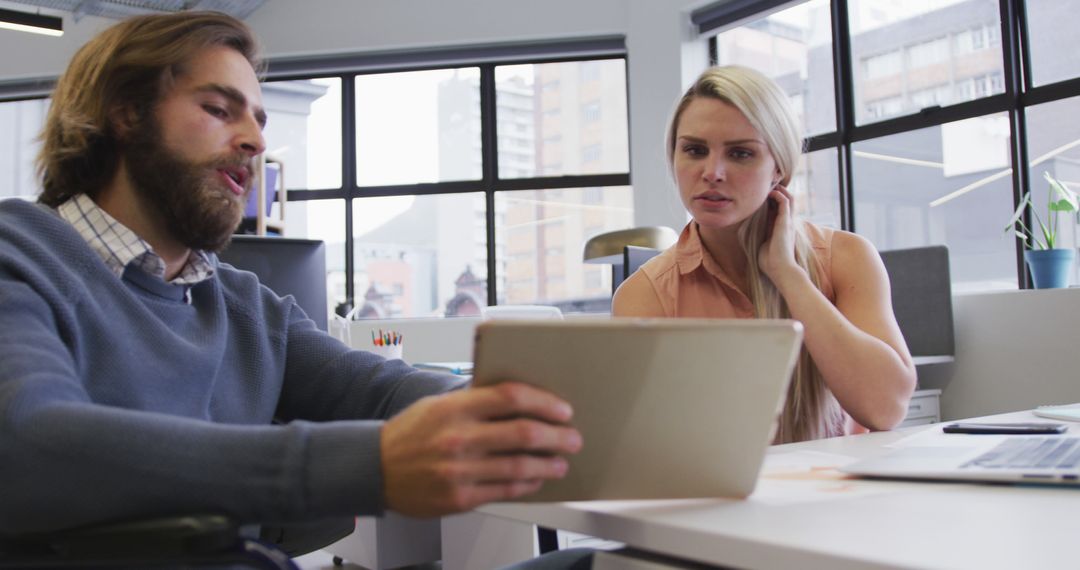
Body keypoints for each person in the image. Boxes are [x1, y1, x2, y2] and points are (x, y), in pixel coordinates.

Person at [0, 11, 586, 555]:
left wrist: (514, 416)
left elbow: (381, 390)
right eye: (218, 109)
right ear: (126, 114)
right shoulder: (18, 252)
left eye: (258, 120)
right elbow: (28, 446)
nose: (255, 141)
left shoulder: (243, 304)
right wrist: (371, 464)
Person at [613, 66, 916, 442]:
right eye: (694, 150)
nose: (712, 172)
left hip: (838, 494)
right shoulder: (645, 294)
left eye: (741, 154)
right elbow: (651, 444)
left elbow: (886, 409)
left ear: (779, 172)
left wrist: (788, 275)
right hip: (719, 496)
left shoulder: (846, 258)